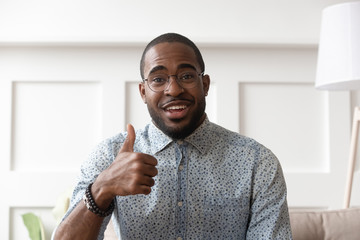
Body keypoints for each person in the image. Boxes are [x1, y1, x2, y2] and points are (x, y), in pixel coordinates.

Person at [53, 33, 293, 239]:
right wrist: (102, 188)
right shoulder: (110, 156)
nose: (174, 89)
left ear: (205, 85)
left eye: (187, 76)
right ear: (143, 91)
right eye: (158, 79)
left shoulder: (257, 163)